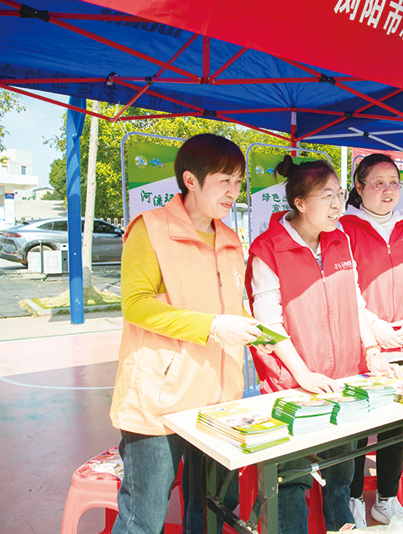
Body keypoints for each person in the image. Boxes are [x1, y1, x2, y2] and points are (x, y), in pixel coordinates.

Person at [110, 134, 261, 534]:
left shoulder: (230, 238)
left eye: (238, 181)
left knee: (212, 508)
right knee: (144, 515)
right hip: (160, 400)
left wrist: (253, 326)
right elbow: (136, 305)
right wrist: (212, 327)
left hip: (219, 398)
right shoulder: (150, 229)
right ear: (191, 180)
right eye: (224, 181)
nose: (234, 192)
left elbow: (230, 306)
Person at [245, 156, 399, 534]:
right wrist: (302, 374)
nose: (337, 204)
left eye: (339, 194)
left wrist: (372, 352)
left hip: (343, 379)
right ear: (300, 202)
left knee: (341, 474)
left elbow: (355, 302)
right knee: (291, 480)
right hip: (292, 386)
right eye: (327, 196)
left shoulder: (339, 239)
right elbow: (268, 323)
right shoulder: (268, 249)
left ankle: (341, 526)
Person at [340, 153, 403, 527]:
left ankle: (386, 499)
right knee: (356, 426)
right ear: (359, 187)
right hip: (360, 347)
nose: (387, 191)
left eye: (394, 184)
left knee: (395, 424)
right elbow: (344, 287)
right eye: (378, 183)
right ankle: (352, 499)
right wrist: (373, 327)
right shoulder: (343, 229)